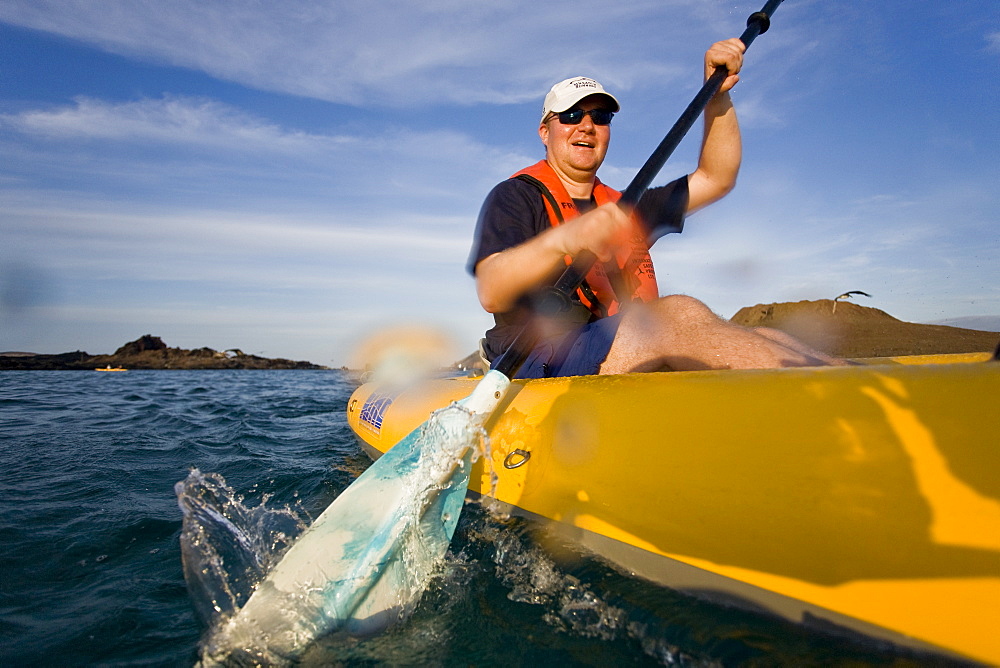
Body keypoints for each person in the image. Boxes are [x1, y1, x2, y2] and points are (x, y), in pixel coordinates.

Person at [468, 39, 841, 378]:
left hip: (607, 346)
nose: (586, 126)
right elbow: (492, 290)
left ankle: (857, 381)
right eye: (570, 116)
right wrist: (562, 240)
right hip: (532, 358)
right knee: (676, 315)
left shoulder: (626, 207)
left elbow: (716, 178)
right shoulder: (516, 196)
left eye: (600, 117)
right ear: (545, 132)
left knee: (763, 333)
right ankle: (836, 392)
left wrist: (718, 97)